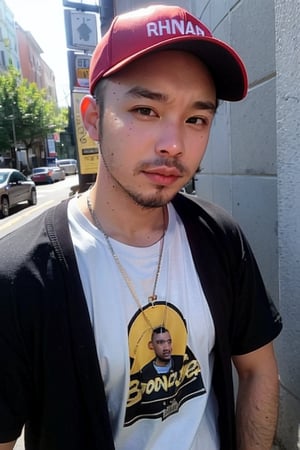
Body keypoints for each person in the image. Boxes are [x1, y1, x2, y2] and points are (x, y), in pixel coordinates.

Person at [0, 4, 282, 450]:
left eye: (196, 119)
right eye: (146, 109)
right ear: (93, 118)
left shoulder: (219, 237)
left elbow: (258, 369)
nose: (173, 144)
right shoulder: (19, 277)